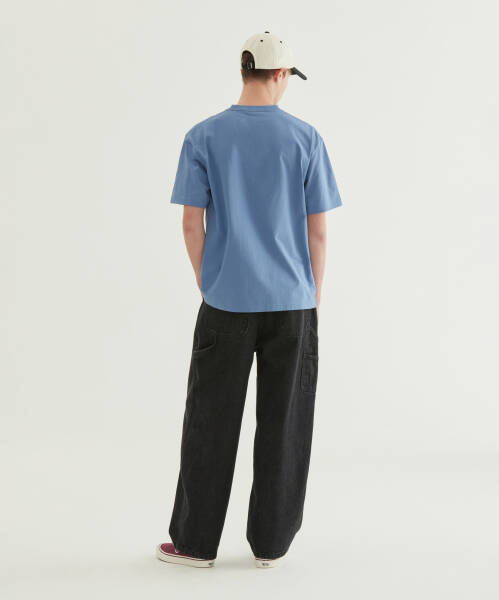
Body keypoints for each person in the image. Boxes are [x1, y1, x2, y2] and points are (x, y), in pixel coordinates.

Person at [156, 31, 342, 569]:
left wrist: (208, 280)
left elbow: (191, 224)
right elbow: (318, 233)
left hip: (226, 303)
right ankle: (271, 545)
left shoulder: (203, 136)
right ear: (281, 75)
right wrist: (311, 296)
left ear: (244, 71)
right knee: (285, 424)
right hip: (292, 304)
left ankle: (194, 544)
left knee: (209, 420)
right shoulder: (305, 138)